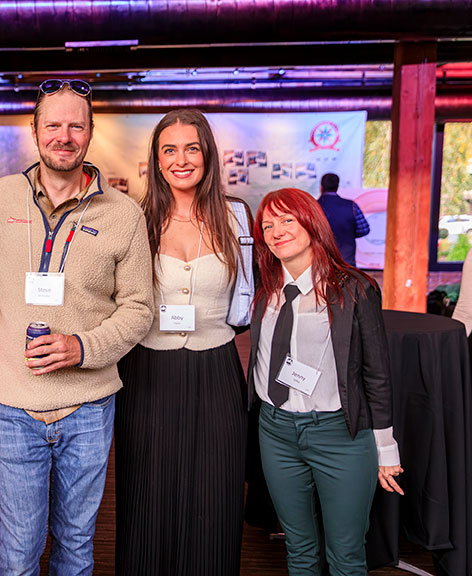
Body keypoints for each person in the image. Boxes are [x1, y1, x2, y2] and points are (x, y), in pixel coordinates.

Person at [0, 79, 154, 575]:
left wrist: (82, 346)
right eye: (52, 124)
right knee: (16, 549)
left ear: (91, 133)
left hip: (89, 407)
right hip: (10, 403)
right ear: (34, 132)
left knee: (76, 546)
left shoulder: (124, 214)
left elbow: (140, 308)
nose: (64, 135)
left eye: (76, 125)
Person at [114, 108, 253, 575]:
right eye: (168, 150)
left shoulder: (237, 217)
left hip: (217, 368)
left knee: (215, 491)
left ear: (208, 154)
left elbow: (253, 295)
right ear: (155, 160)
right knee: (148, 492)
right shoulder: (134, 218)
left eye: (191, 148)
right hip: (148, 370)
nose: (181, 159)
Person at [248, 187, 403, 576]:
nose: (277, 230)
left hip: (340, 436)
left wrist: (385, 449)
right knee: (299, 551)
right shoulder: (265, 289)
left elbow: (377, 375)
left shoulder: (354, 289)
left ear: (312, 223)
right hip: (276, 432)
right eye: (268, 225)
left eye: (287, 219)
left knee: (347, 556)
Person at [317, 172, 370, 267]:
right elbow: (364, 230)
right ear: (337, 186)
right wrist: (348, 233)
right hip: (346, 260)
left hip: (320, 261)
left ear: (321, 187)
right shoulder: (351, 205)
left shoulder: (313, 207)